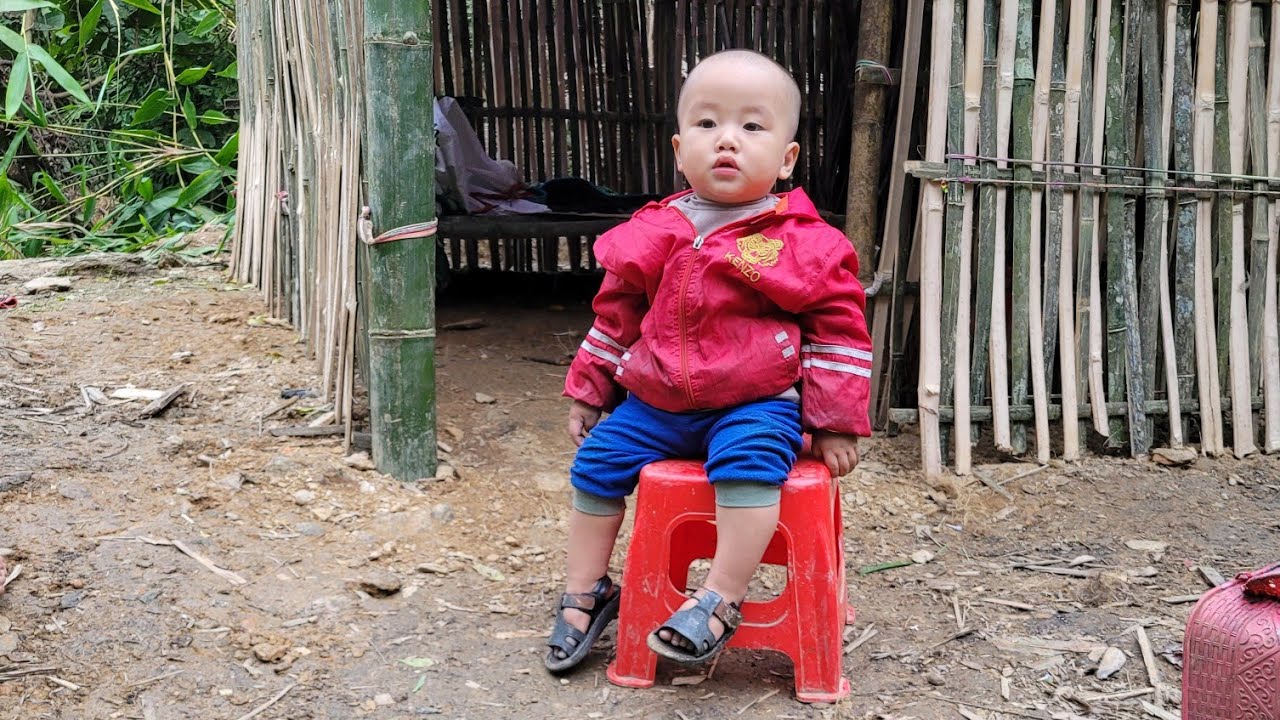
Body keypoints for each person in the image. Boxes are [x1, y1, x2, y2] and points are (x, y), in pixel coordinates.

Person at [544, 48, 872, 673]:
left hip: (756, 403)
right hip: (657, 400)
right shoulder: (655, 230)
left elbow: (839, 335)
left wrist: (834, 420)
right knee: (596, 465)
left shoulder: (801, 243)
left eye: (752, 126)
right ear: (677, 149)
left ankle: (720, 597)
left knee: (748, 468)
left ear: (786, 158)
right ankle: (586, 591)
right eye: (706, 124)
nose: (727, 140)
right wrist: (591, 389)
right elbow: (617, 318)